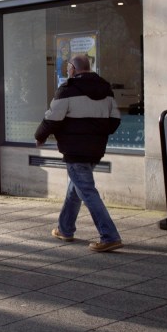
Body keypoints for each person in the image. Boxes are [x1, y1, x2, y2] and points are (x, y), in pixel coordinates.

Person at [35, 54, 123, 253]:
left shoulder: (67, 90)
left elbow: (52, 118)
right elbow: (115, 120)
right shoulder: (105, 89)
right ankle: (65, 229)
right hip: (95, 149)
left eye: (68, 68)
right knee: (75, 188)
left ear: (73, 69)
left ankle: (110, 235)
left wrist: (40, 135)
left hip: (74, 149)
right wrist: (98, 133)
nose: (67, 71)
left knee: (87, 191)